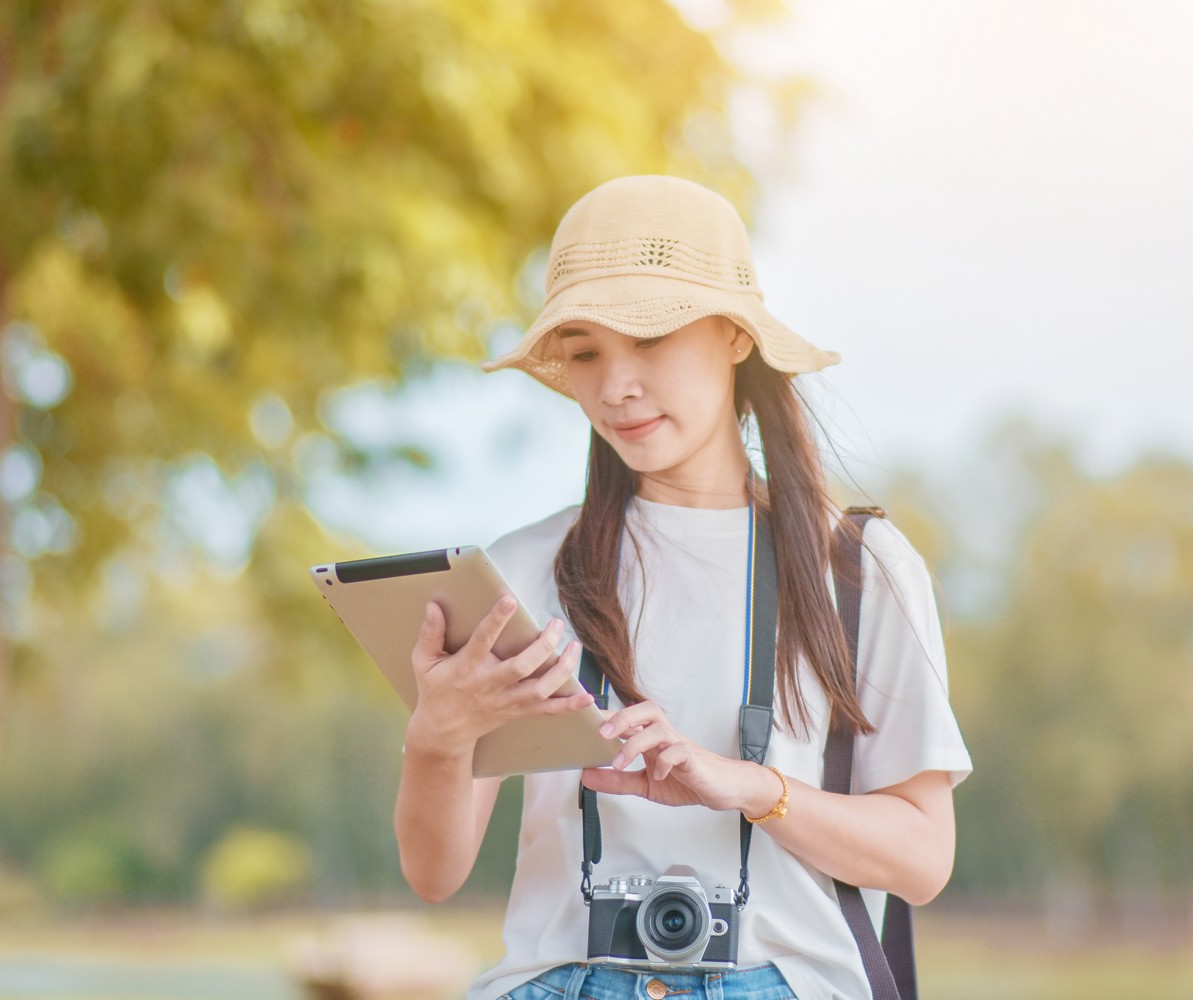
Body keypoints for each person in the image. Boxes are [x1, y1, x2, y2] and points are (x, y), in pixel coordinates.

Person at [394, 175, 973, 1000]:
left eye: (651, 340)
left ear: (736, 338)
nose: (615, 385)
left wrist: (751, 788)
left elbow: (922, 859)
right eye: (586, 352)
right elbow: (433, 873)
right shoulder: (523, 570)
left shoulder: (858, 569)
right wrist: (438, 737)